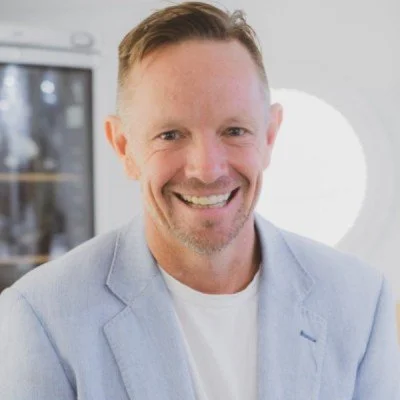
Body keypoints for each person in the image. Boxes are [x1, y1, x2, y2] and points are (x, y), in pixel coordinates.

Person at [0, 2, 399, 399]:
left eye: (235, 130)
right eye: (170, 135)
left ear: (269, 136)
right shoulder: (42, 315)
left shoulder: (360, 300)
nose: (207, 169)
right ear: (123, 147)